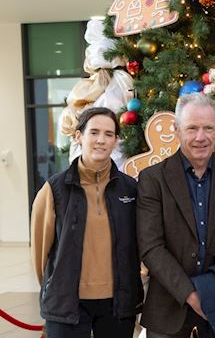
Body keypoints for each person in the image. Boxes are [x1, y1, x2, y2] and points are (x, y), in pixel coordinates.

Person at [137, 93, 215, 337]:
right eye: (192, 128)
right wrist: (191, 294)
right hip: (167, 315)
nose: (201, 137)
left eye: (208, 128)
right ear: (177, 130)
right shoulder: (152, 179)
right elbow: (150, 247)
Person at [31, 107, 142, 337]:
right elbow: (41, 254)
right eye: (94, 132)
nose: (101, 140)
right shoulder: (55, 189)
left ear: (116, 140)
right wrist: (54, 287)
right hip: (68, 304)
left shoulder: (131, 189)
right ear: (79, 136)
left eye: (109, 134)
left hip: (117, 304)